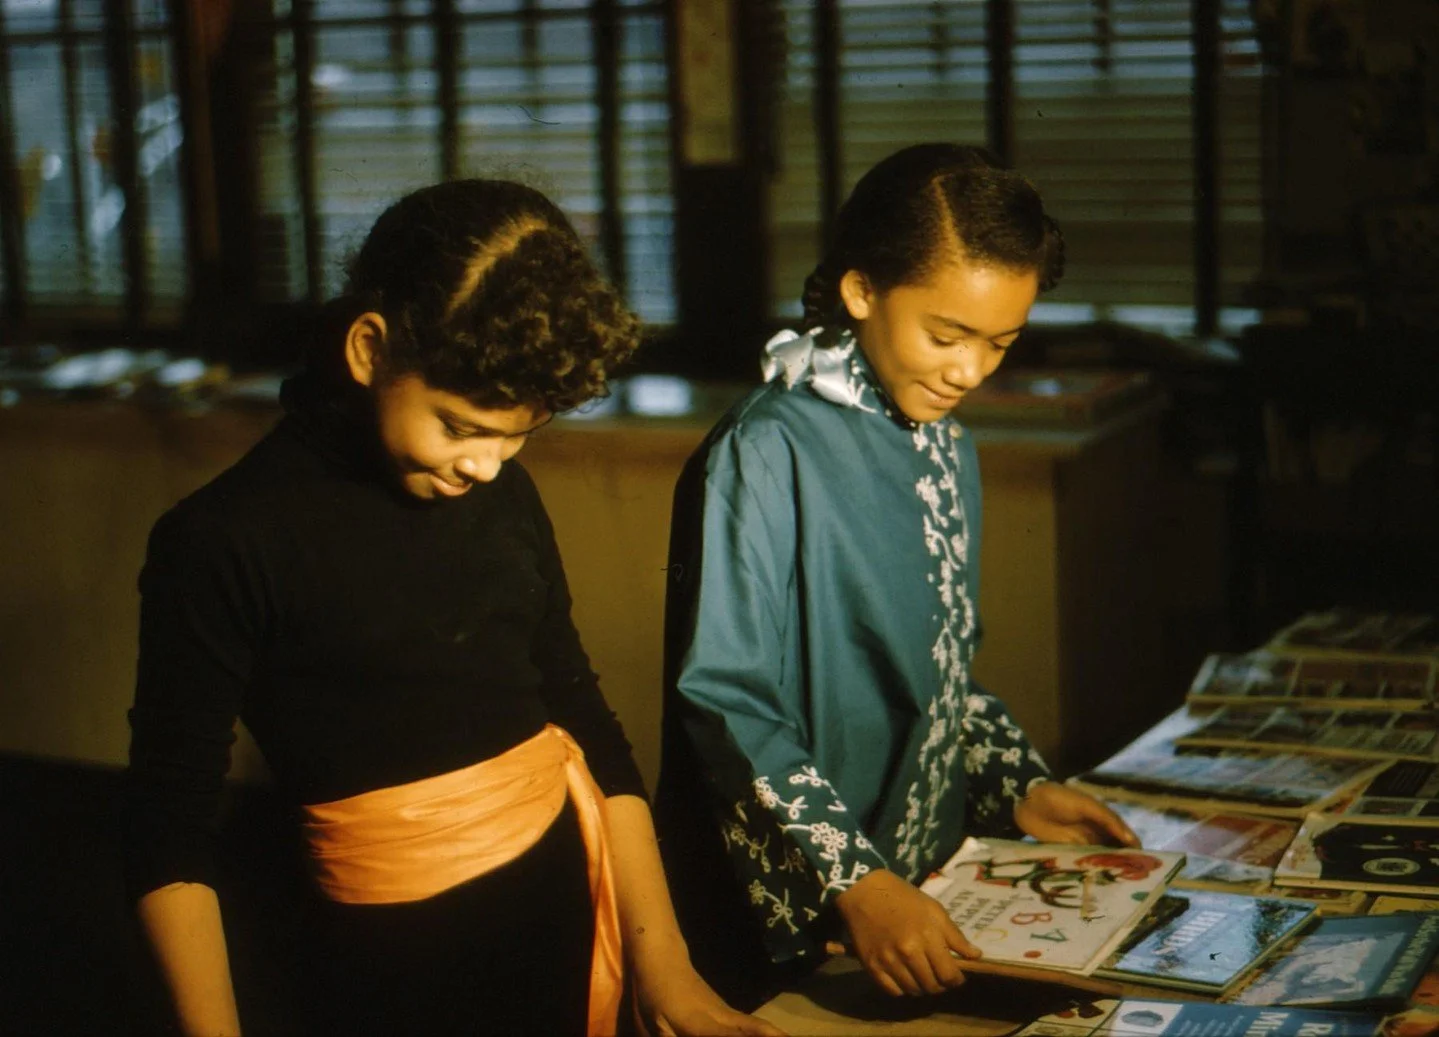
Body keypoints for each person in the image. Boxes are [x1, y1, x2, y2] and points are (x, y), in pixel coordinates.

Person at [124, 179, 782, 1037]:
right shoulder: (221, 538)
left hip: (563, 915)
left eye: (519, 436)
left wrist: (666, 968)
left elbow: (583, 718)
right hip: (383, 968)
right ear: (369, 349)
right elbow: (166, 832)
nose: (488, 465)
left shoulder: (503, 497)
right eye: (460, 425)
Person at [654, 144, 1138, 1009]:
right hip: (802, 912)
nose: (970, 371)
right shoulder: (765, 448)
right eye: (946, 335)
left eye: (1001, 342)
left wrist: (1016, 784)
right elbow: (724, 701)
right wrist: (856, 879)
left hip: (921, 889)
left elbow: (938, 666)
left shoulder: (945, 442)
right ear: (860, 291)